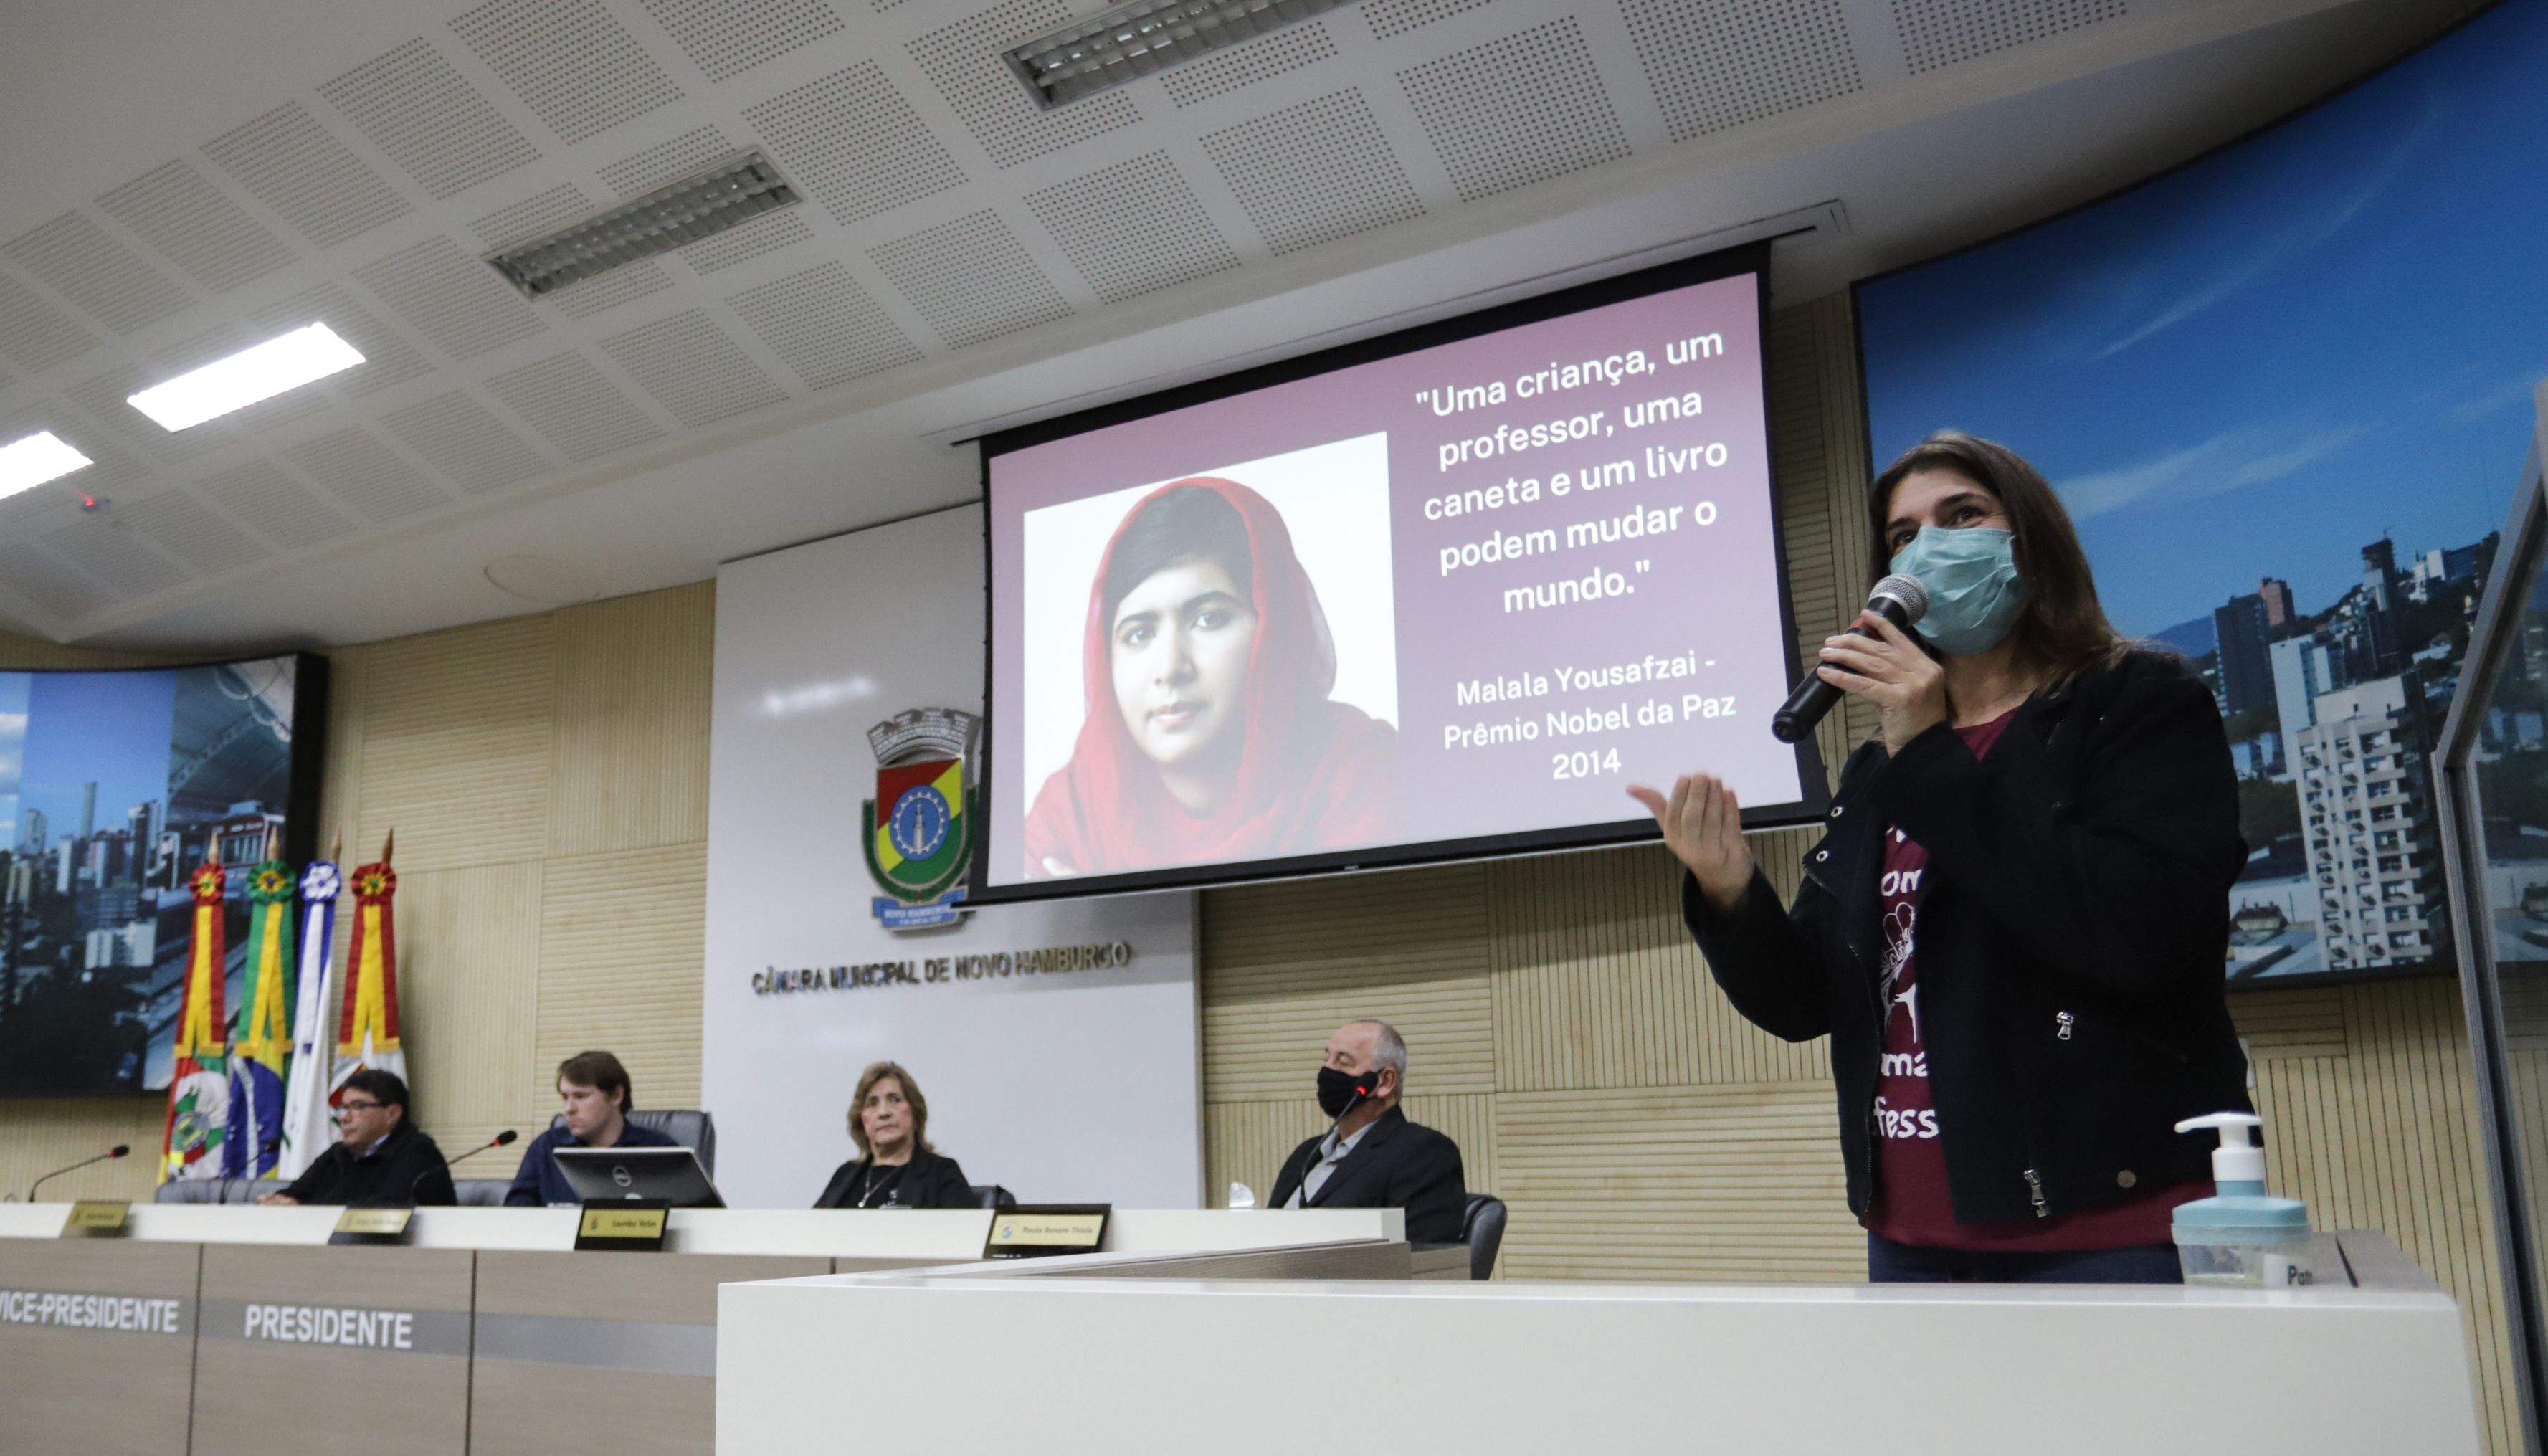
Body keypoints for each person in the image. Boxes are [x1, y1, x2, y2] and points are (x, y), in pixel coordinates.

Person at [1630, 430, 2252, 1285]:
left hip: (2101, 1222)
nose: (1928, 548)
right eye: (1903, 534)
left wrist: (1927, 753)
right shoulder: (1880, 768)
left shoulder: (2134, 701)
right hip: (1910, 1229)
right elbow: (1812, 1000)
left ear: (2029, 539)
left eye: (1961, 516)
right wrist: (1730, 891)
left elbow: (2138, 934)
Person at [1024, 478, 1397, 879]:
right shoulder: (1073, 808)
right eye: (1139, 633)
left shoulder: (1352, 770)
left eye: (1209, 619)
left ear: (1274, 627)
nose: (1169, 668)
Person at [1268, 1019, 1465, 1245]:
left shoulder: (1424, 1153)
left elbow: (1420, 1257)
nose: (1327, 1071)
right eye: (1327, 1060)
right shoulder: (1307, 1154)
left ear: (1384, 1081)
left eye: (1343, 1063)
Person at [257, 1067, 453, 1207]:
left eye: (358, 1107)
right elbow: (295, 1194)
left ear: (392, 1113)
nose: (344, 1117)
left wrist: (306, 1209)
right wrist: (278, 1201)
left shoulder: (418, 1153)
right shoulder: (338, 1155)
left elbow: (387, 1210)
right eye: (344, 1108)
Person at [503, 1050, 675, 1207]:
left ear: (616, 1096)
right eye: (565, 1097)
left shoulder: (658, 1150)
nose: (569, 1109)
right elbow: (515, 1217)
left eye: (580, 1096)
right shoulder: (547, 1147)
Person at [814, 1062, 979, 1209]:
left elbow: (965, 1237)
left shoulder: (942, 1173)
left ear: (915, 1112)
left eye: (895, 1100)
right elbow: (812, 1231)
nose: (883, 1112)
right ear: (862, 1120)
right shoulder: (845, 1175)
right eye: (872, 1104)